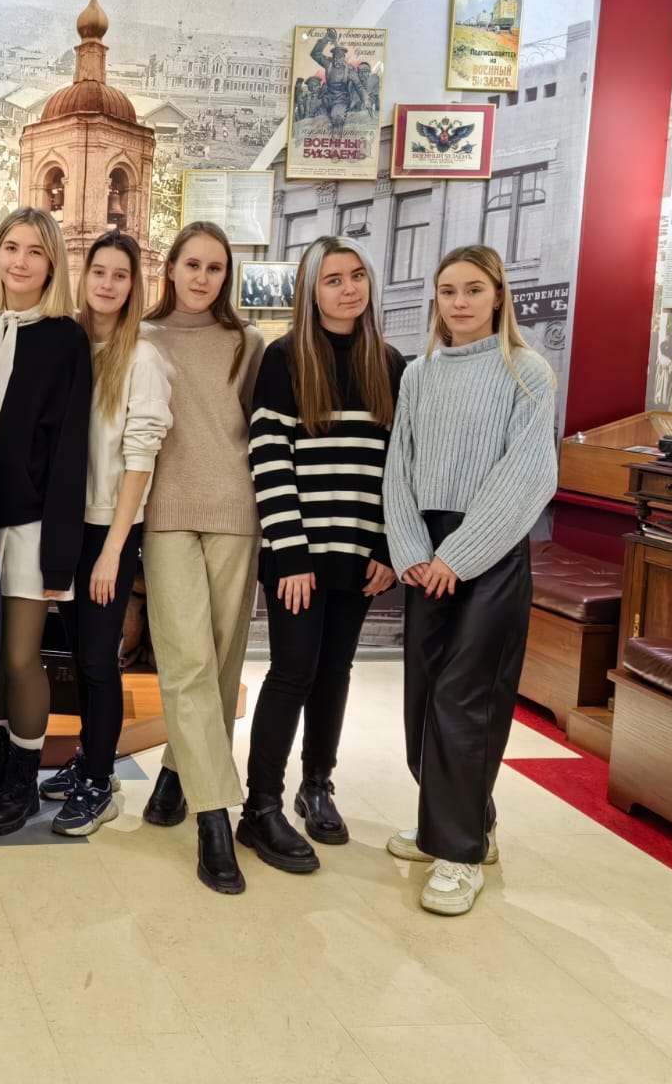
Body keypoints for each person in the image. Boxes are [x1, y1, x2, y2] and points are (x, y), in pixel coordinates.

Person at [383, 244, 556, 916]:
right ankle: (456, 825)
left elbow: (528, 476)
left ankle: (458, 854)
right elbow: (400, 466)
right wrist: (410, 548)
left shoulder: (527, 372)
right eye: (448, 290)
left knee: (466, 702)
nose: (459, 302)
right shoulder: (420, 374)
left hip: (490, 550)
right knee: (424, 699)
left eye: (473, 290)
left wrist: (459, 555)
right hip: (426, 550)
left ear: (498, 296)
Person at [238, 236, 404, 875]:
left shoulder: (389, 363)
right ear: (311, 291)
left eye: (357, 275)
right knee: (292, 672)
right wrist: (291, 553)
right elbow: (269, 458)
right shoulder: (284, 359)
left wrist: (387, 545)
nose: (348, 288)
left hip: (360, 550)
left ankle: (318, 785)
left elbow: (400, 466)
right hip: (299, 552)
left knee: (336, 671)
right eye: (333, 279)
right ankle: (261, 803)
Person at [0, 207, 91, 837]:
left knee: (19, 656)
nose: (21, 261)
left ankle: (24, 783)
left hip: (32, 525)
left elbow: (70, 453)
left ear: (52, 263)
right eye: (11, 247)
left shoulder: (66, 340)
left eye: (35, 251)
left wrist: (61, 555)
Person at [140, 221, 266, 894]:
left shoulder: (249, 344)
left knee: (220, 663)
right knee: (186, 659)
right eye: (192, 264)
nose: (202, 278)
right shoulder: (141, 338)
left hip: (236, 513)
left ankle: (174, 772)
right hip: (165, 516)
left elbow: (262, 433)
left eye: (215, 268)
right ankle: (214, 819)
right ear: (171, 268)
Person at [40, 231, 171, 836]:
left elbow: (140, 460)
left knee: (98, 660)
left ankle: (99, 782)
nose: (108, 284)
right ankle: (90, 758)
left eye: (121, 275)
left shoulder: (141, 357)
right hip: (64, 526)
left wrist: (113, 552)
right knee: (77, 655)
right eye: (100, 272)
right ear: (83, 274)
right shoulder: (68, 342)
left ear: (134, 284)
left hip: (107, 532)